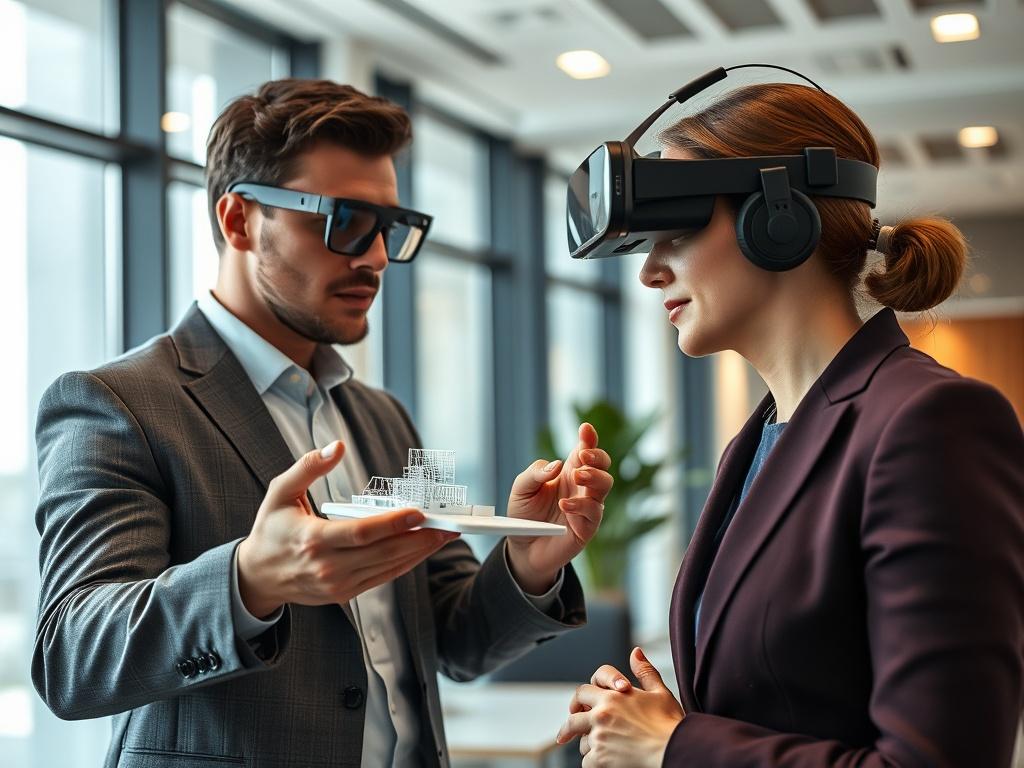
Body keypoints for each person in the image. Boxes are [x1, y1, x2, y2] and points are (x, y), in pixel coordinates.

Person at [33, 78, 613, 768]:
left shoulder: (378, 416)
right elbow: (72, 655)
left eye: (390, 229)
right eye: (342, 221)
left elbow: (455, 645)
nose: (372, 257)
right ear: (240, 220)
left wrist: (528, 565)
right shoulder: (119, 403)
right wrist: (250, 579)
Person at [556, 76, 1024, 767]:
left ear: (778, 218)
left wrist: (675, 746)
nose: (651, 270)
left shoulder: (930, 423)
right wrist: (656, 718)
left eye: (678, 229)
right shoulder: (757, 446)